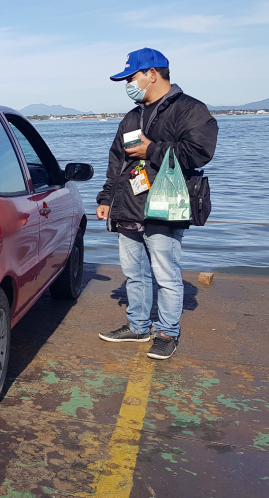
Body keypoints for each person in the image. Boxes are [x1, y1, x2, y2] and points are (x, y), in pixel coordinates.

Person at [96, 48, 218, 360]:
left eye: (131, 77)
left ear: (153, 74)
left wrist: (153, 149)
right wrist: (107, 199)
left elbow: (199, 152)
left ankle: (167, 333)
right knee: (133, 272)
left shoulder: (190, 109)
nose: (128, 83)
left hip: (165, 206)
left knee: (166, 274)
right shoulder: (132, 116)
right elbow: (116, 162)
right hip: (128, 207)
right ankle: (138, 326)